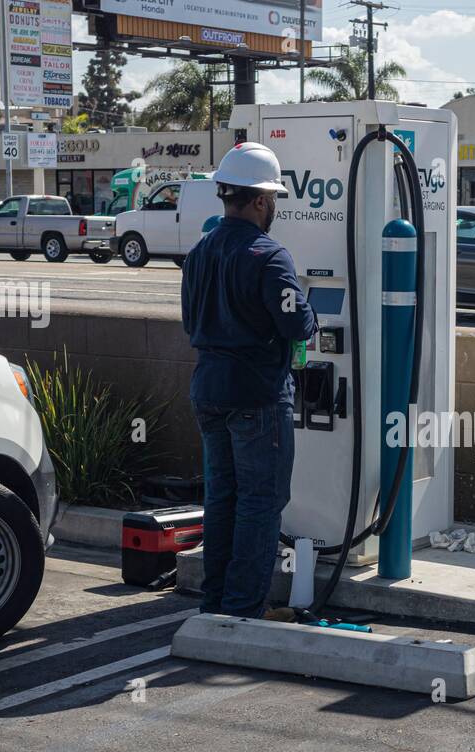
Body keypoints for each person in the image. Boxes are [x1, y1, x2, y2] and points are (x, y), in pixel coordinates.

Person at [181, 142, 317, 619]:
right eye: (273, 197)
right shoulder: (269, 255)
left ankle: (215, 605)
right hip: (257, 395)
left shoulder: (198, 253)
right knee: (262, 502)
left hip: (208, 389)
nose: (273, 206)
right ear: (261, 199)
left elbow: (189, 323)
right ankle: (243, 611)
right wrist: (309, 310)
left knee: (222, 499)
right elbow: (297, 325)